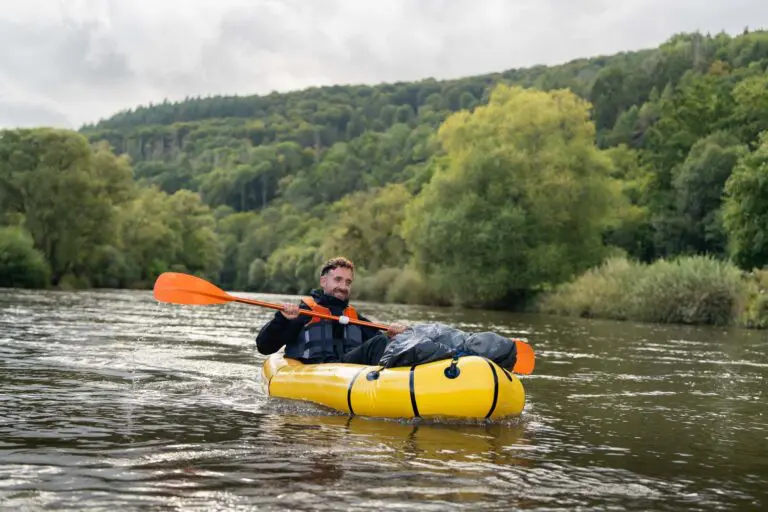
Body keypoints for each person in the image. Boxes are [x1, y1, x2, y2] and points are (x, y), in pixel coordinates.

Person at [255, 256, 406, 365]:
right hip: (314, 372)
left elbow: (380, 343)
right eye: (338, 279)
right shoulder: (303, 313)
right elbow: (264, 347)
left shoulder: (354, 318)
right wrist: (281, 319)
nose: (343, 287)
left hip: (346, 372)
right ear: (323, 281)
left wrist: (392, 335)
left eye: (348, 282)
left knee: (383, 341)